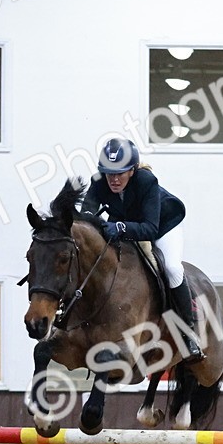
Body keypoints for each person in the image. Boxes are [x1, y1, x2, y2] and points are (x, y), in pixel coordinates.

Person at [80, 137, 204, 363]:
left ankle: (188, 333)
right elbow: (86, 215)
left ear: (133, 170)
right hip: (128, 224)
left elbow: (150, 228)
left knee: (172, 268)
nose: (114, 179)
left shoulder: (146, 181)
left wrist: (117, 226)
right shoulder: (99, 181)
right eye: (109, 173)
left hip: (163, 226)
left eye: (120, 173)